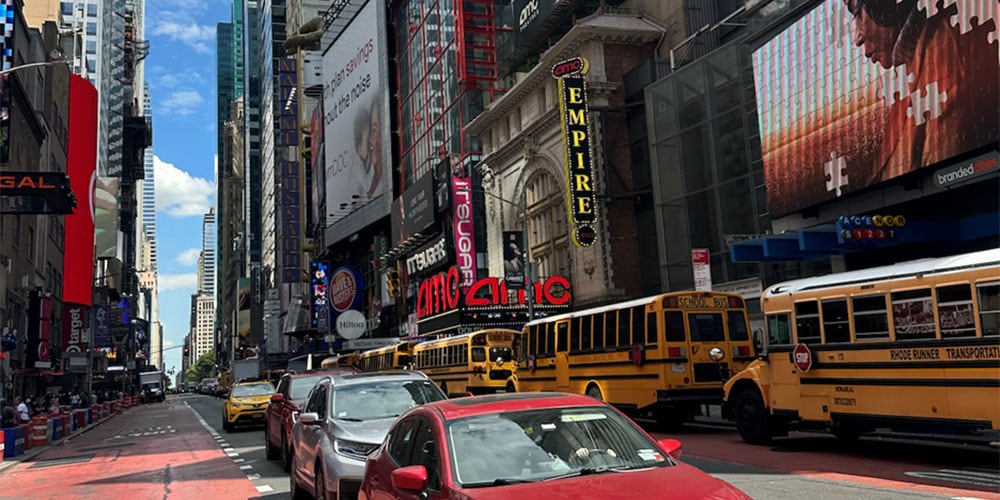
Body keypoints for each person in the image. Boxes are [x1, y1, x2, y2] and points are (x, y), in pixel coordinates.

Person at [845, 0, 999, 183]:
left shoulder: (946, 60)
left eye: (856, 13)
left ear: (882, 5)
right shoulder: (915, 66)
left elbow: (944, 179)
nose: (857, 39)